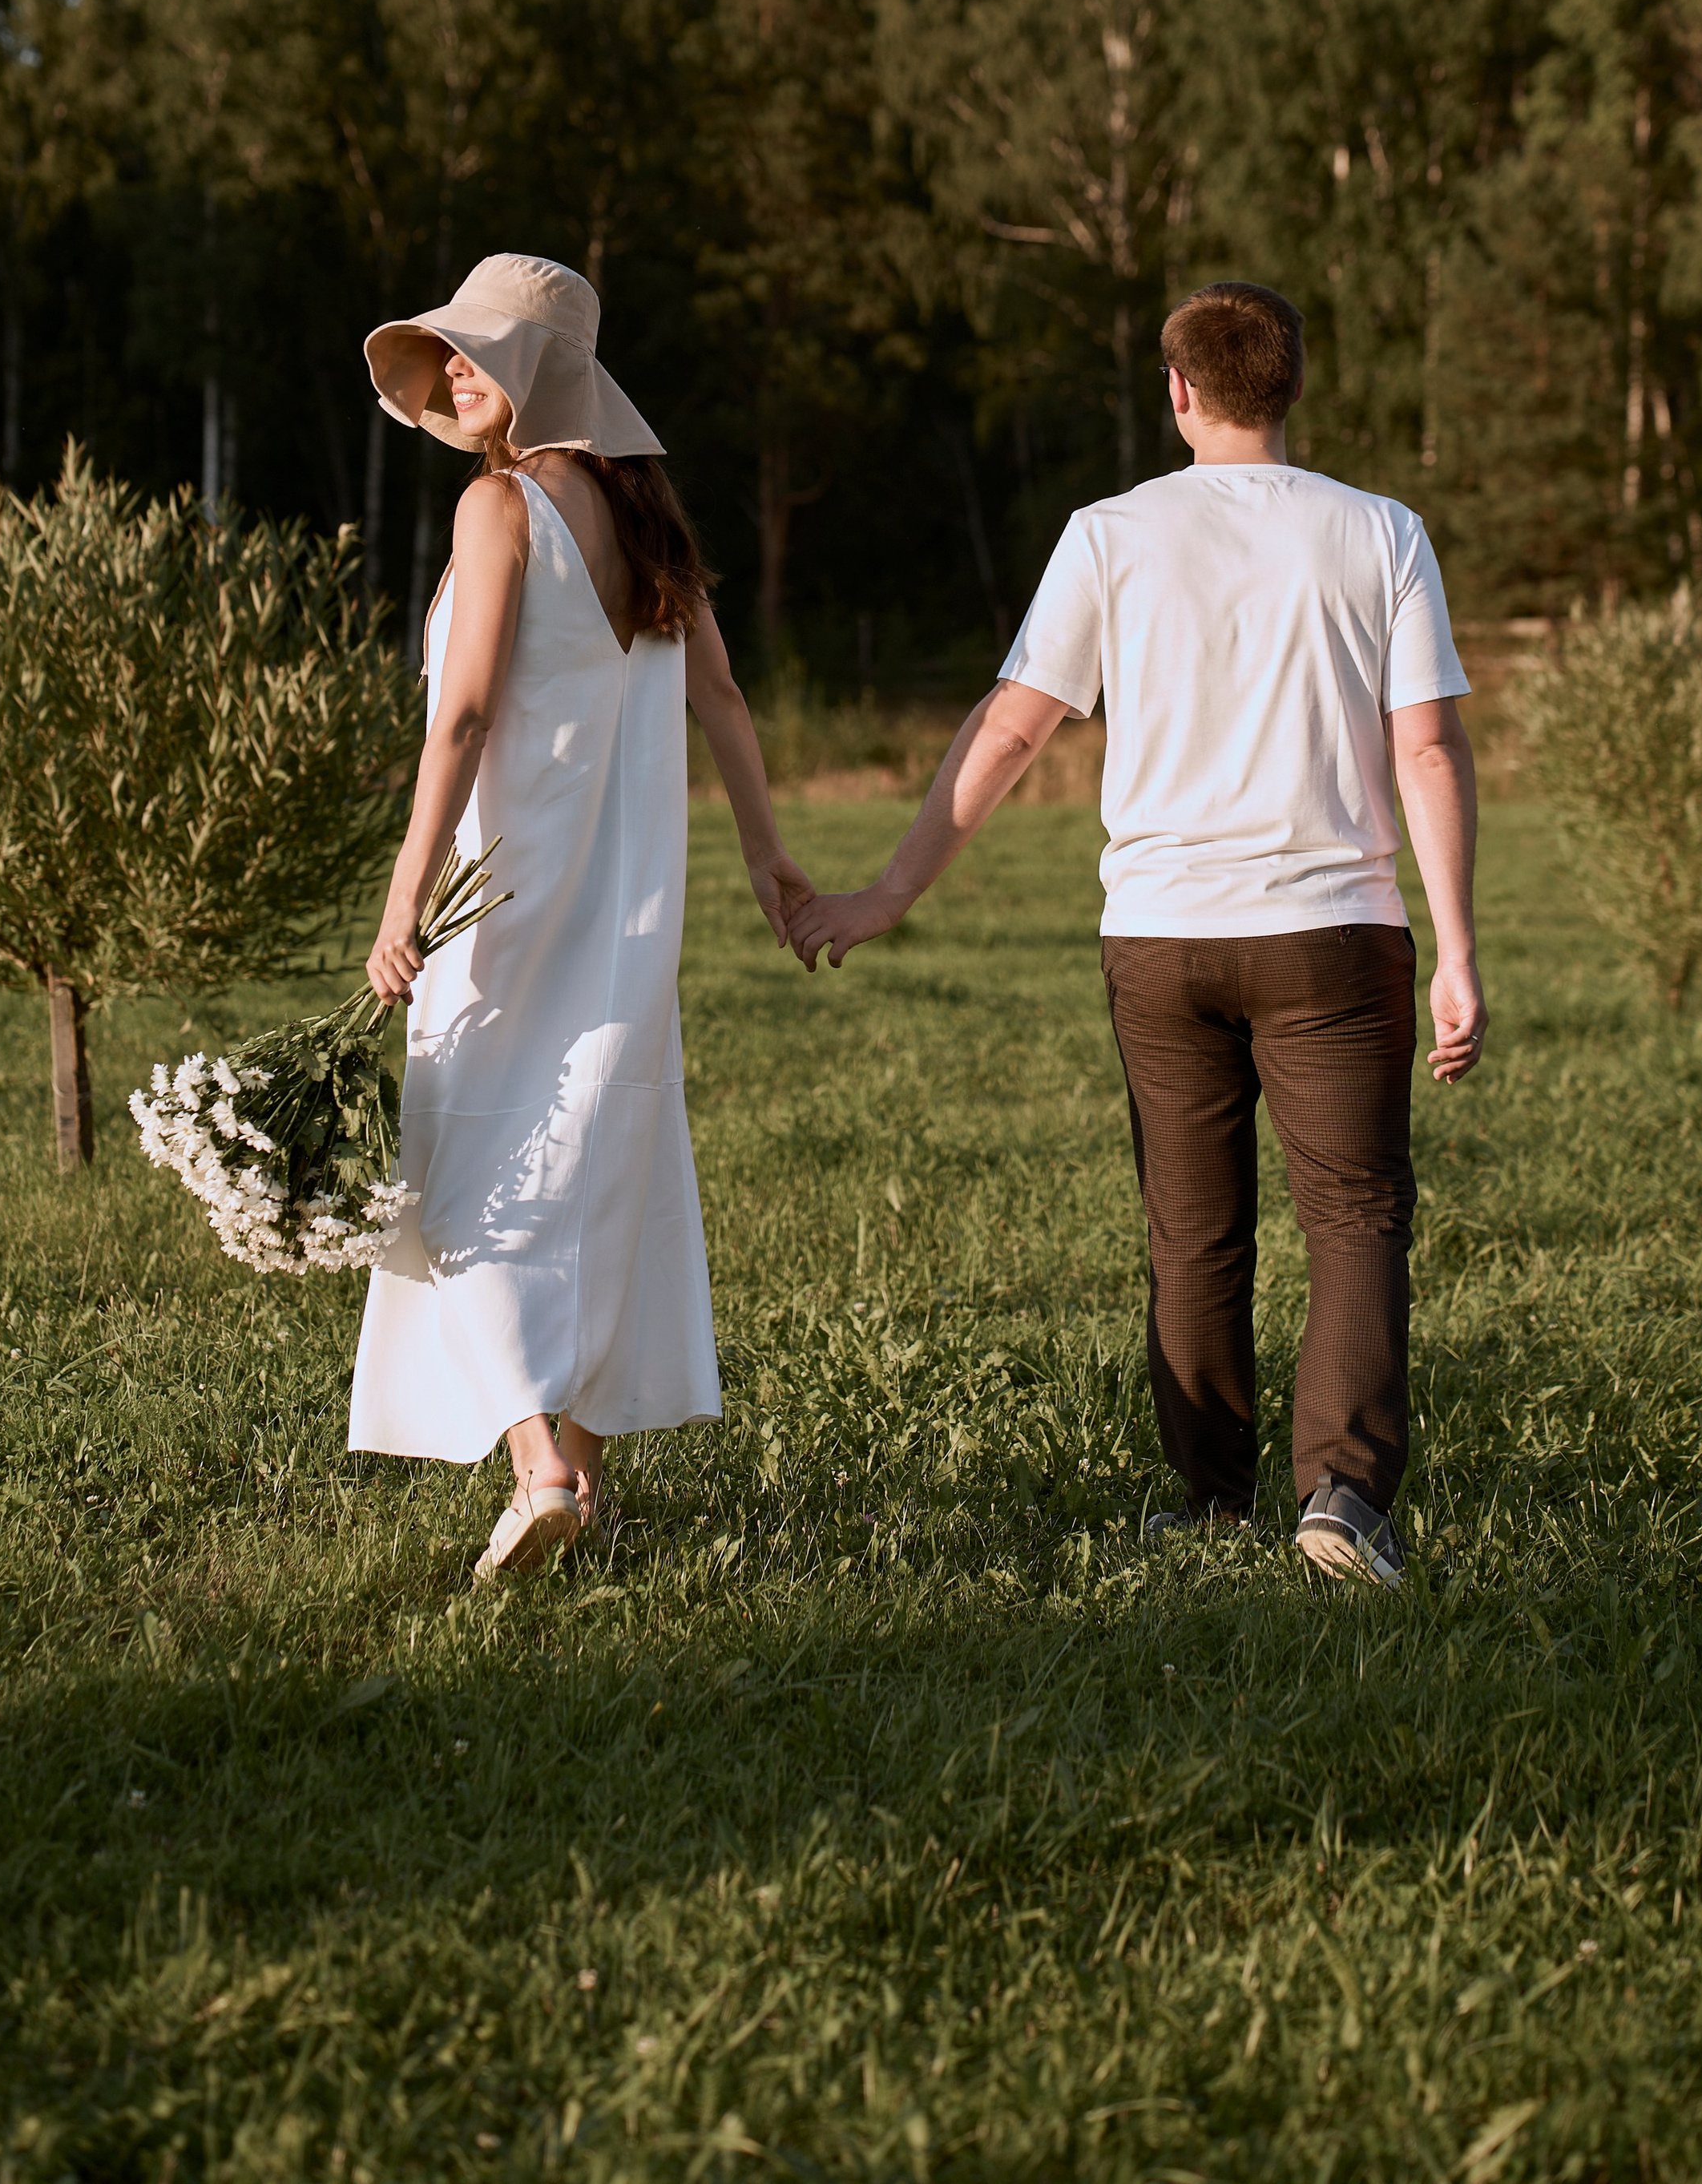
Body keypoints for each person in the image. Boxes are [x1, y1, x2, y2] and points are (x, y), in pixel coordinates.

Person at [788, 281, 1486, 1589]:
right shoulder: (1381, 532)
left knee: (1193, 1226)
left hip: (1160, 938)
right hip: (1334, 935)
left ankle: (1214, 1500)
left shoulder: (1108, 535)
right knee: (1354, 1215)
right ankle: (1341, 1497)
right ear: (1291, 385)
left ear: (1179, 392)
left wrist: (887, 894)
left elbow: (1010, 727)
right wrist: (1455, 947)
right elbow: (1429, 746)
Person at [349, 252, 809, 1581]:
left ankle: (540, 1467)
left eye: (475, 353)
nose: (451, 374)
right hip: (627, 918)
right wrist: (771, 861)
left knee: (460, 1184)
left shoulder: (498, 510)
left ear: (545, 375)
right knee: (604, 1170)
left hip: (501, 904)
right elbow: (721, 701)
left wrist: (404, 895)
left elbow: (468, 714)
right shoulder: (647, 517)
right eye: (448, 355)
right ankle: (578, 1489)